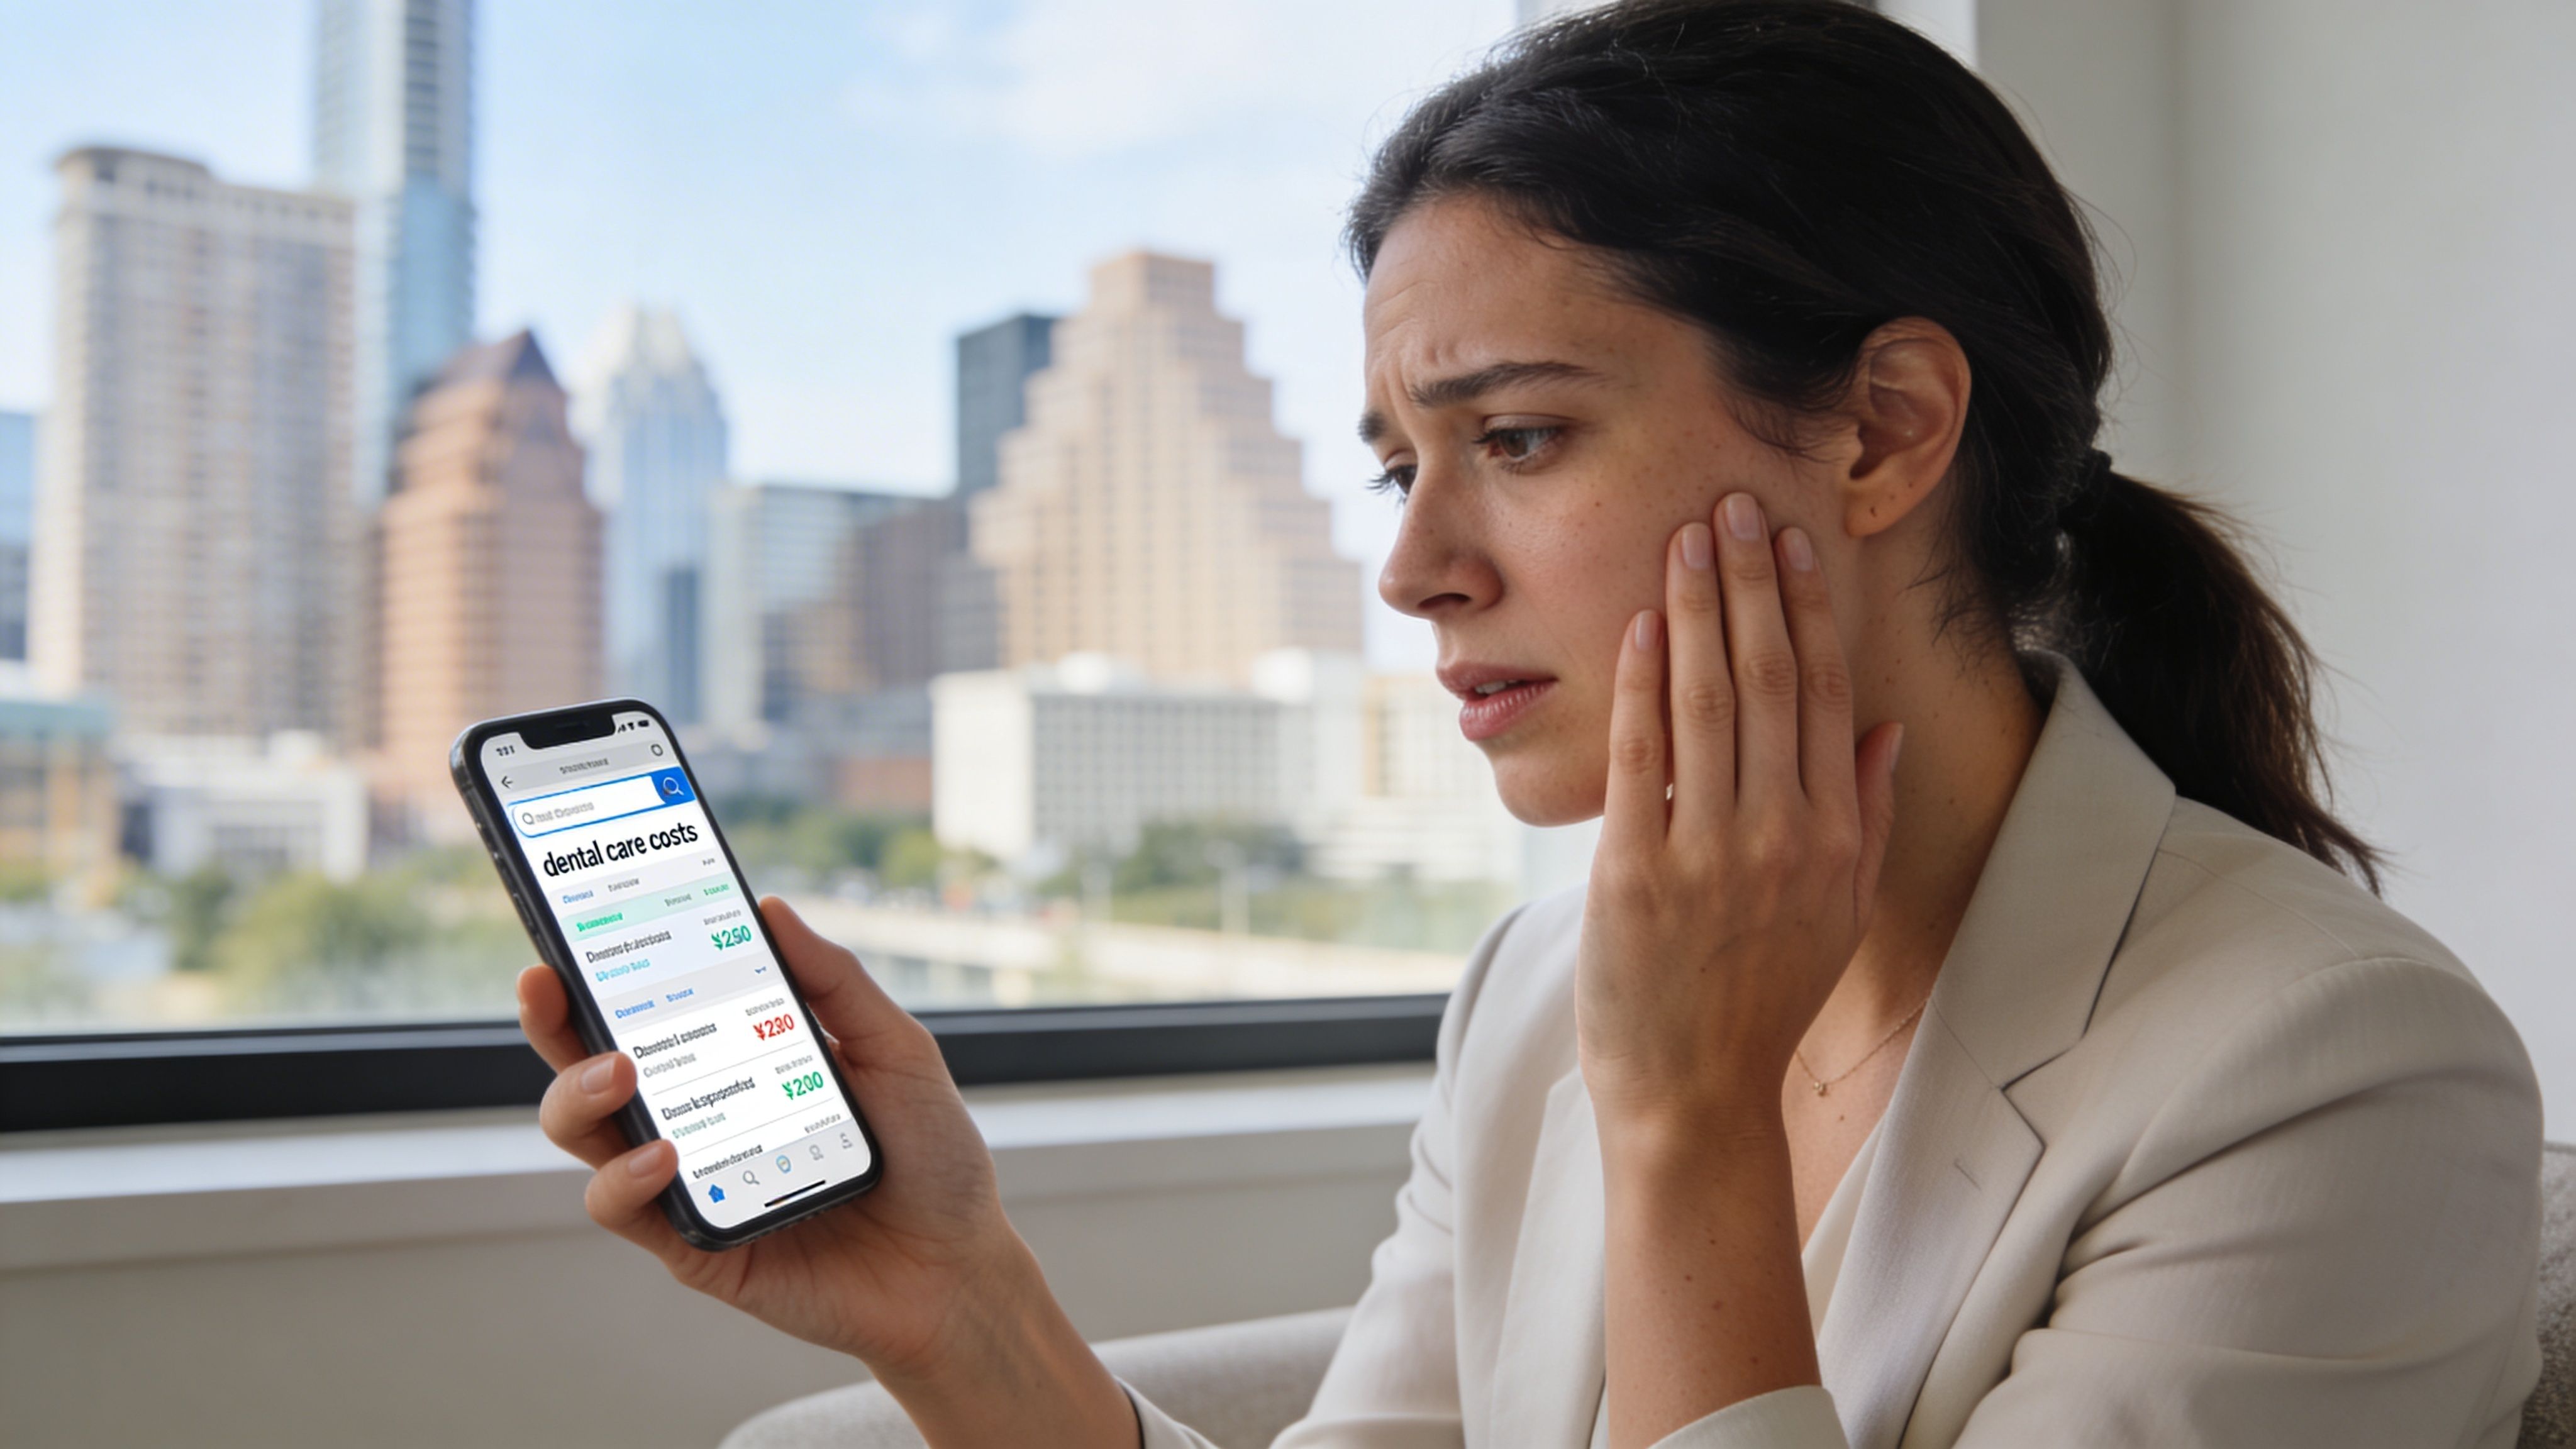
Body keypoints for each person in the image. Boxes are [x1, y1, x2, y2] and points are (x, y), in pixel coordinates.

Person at [517, 2, 2545, 1444]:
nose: (1416, 570)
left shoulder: (2330, 1078)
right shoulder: (1535, 985)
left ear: (1888, 429)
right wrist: (957, 1305)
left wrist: (1690, 1129)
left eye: (1520, 437)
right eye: (1404, 466)